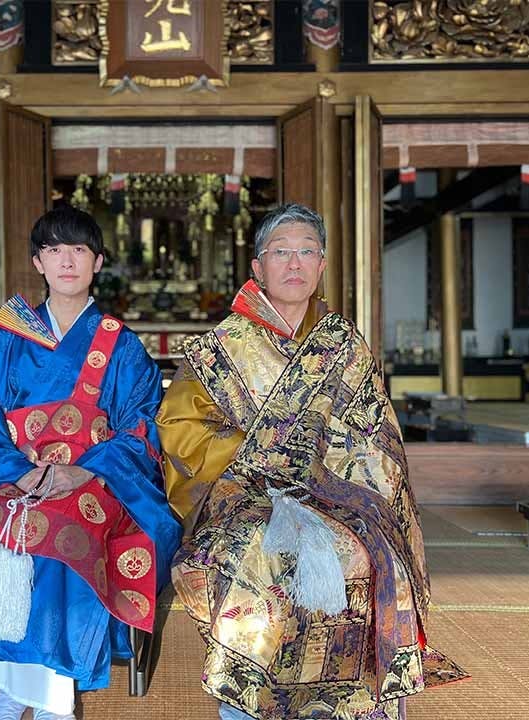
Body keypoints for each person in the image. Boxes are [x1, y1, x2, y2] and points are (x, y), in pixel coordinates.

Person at [157, 203, 466, 720]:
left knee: (369, 557)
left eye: (306, 252)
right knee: (256, 553)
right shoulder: (220, 349)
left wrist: (323, 477)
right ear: (257, 267)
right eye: (281, 252)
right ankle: (247, 704)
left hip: (337, 496)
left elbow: (376, 437)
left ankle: (355, 702)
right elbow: (183, 432)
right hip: (246, 494)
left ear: (321, 266)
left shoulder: (344, 346)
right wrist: (260, 462)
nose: (294, 263)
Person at [0, 206, 182, 720]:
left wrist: (84, 470)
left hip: (97, 478)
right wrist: (17, 471)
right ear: (38, 263)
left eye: (78, 250)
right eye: (54, 250)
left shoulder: (120, 344)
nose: (66, 261)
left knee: (64, 527)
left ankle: (52, 695)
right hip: (16, 475)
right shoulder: (8, 340)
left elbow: (141, 424)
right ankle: (10, 687)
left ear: (97, 263)